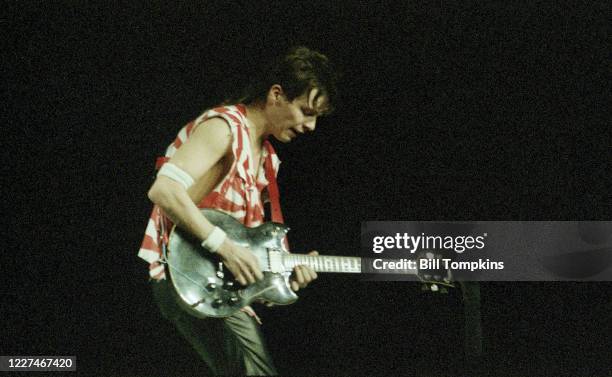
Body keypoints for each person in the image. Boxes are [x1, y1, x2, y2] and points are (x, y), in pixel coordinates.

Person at [138, 46, 338, 376]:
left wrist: (286, 274)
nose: (311, 126)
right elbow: (164, 190)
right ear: (276, 95)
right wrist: (224, 248)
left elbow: (247, 252)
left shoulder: (267, 160)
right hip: (184, 273)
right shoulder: (225, 128)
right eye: (306, 111)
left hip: (221, 289)